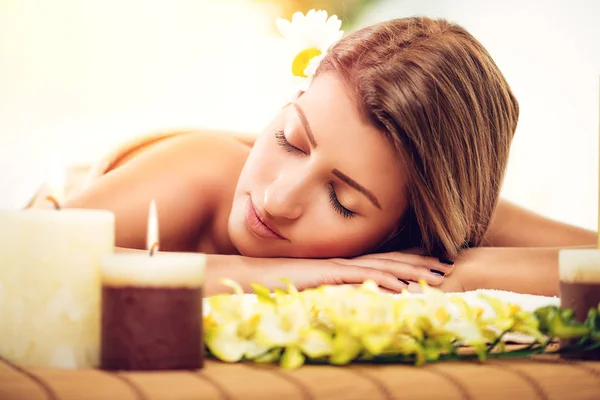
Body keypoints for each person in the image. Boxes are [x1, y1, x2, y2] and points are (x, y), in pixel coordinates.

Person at [58, 15, 595, 297]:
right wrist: (283, 274)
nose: (277, 198)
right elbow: (32, 256)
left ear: (401, 229)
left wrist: (467, 268)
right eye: (290, 140)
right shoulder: (201, 169)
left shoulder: (427, 222)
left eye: (341, 200)